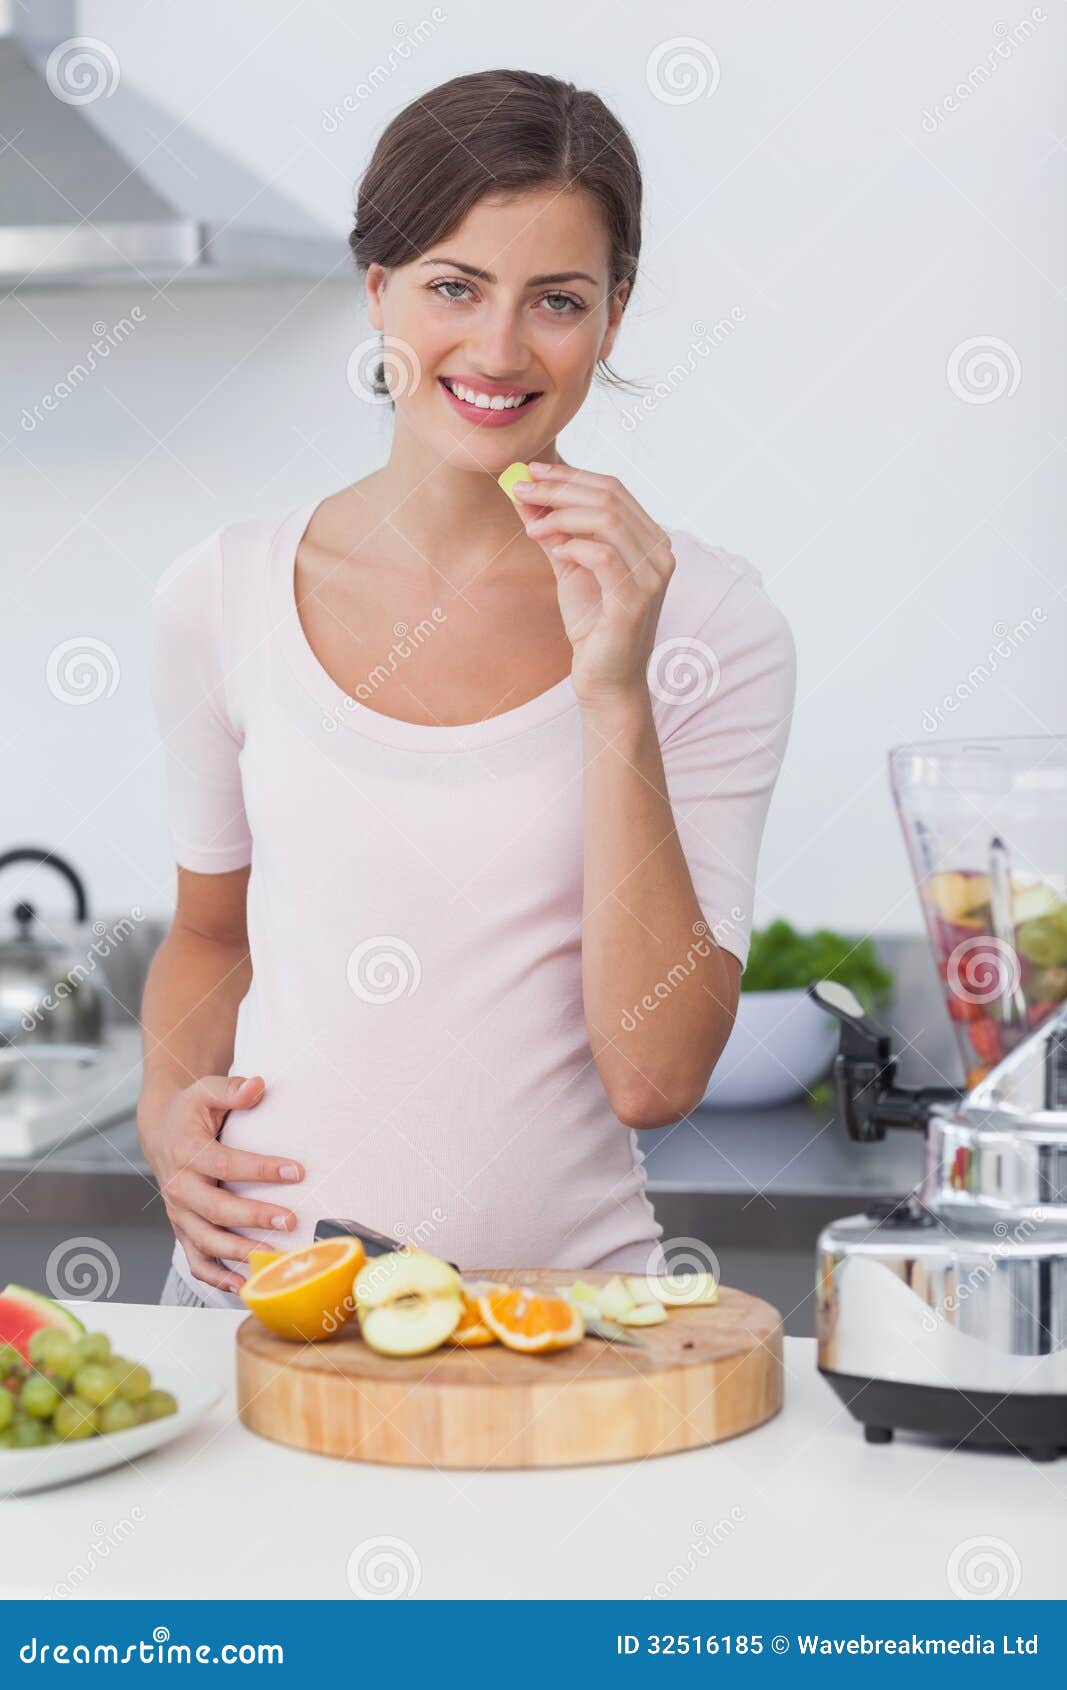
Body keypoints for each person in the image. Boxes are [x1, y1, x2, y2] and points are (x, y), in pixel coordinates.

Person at [138, 69, 796, 1308]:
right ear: (377, 287)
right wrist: (164, 1111)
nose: (498, 351)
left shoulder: (705, 622)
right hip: (255, 1321)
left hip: (569, 1331)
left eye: (555, 299)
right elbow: (208, 937)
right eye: (453, 286)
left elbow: (652, 1076)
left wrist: (614, 692)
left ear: (613, 316)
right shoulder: (217, 595)